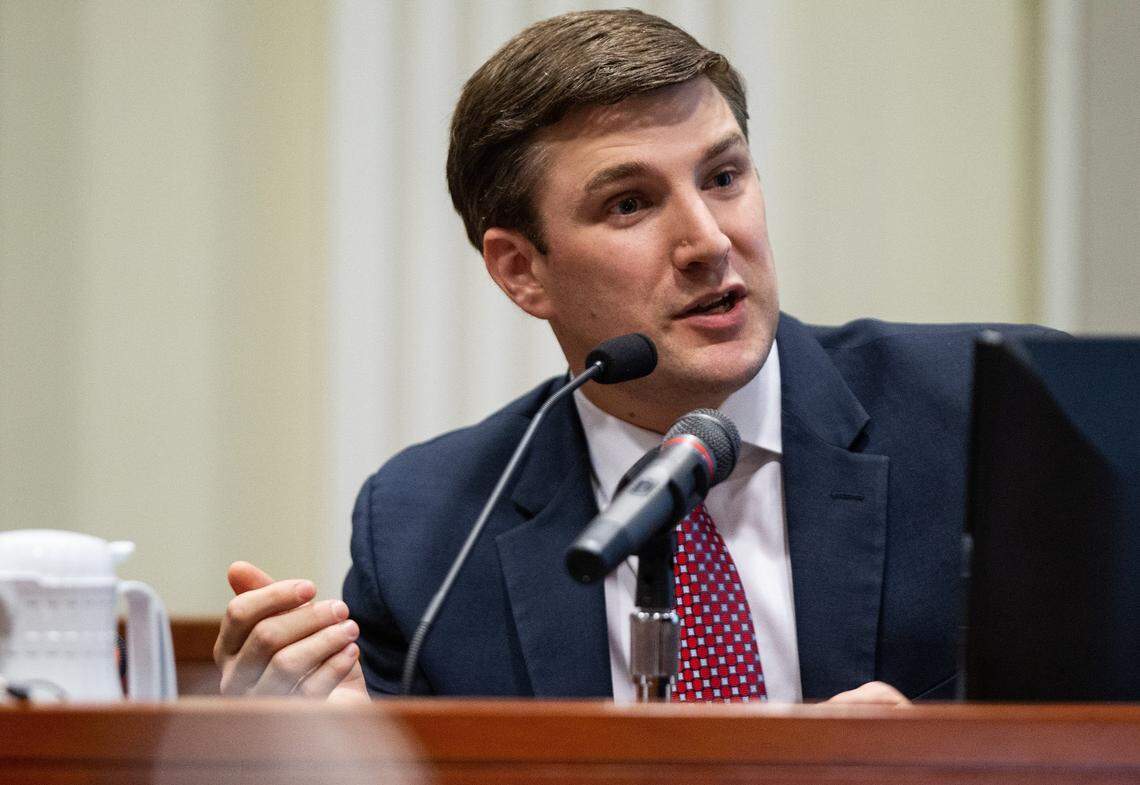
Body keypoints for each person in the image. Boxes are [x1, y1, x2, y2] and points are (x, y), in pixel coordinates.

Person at [213, 9, 1038, 704]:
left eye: (723, 176)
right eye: (631, 203)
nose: (710, 241)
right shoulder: (428, 532)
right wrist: (327, 756)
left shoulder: (999, 415)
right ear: (521, 270)